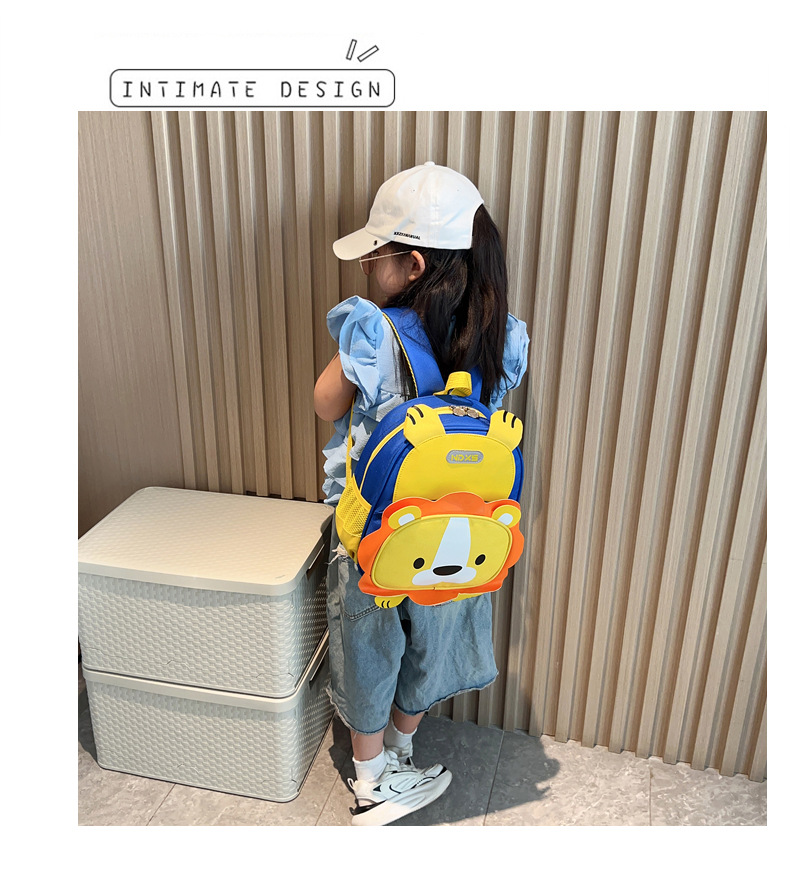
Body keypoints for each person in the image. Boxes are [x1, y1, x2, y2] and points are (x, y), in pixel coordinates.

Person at [314, 162, 529, 826]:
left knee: (370, 647)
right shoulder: (502, 336)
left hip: (375, 530)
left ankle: (372, 780)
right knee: (431, 642)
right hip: (458, 532)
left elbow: (325, 403)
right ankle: (404, 749)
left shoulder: (374, 330)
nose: (367, 269)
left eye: (373, 257)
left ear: (410, 265)